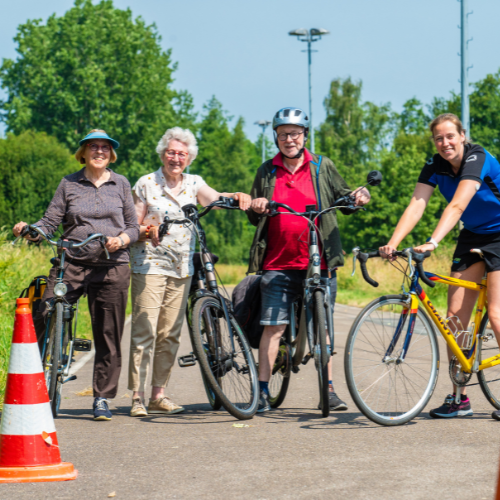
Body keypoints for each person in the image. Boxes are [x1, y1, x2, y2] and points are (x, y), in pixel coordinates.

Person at [247, 107, 370, 413]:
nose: (289, 139)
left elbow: (344, 199)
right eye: (283, 134)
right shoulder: (267, 170)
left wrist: (358, 196)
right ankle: (261, 392)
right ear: (276, 137)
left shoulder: (321, 166)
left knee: (323, 329)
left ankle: (328, 391)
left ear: (305, 136)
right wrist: (258, 205)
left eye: (295, 133)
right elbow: (252, 213)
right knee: (273, 327)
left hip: (321, 261)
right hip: (277, 262)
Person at [379, 113, 500, 421]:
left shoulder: (478, 157)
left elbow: (457, 204)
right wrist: (393, 242)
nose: (445, 143)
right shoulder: (435, 165)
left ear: (462, 136)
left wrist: (432, 242)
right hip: (472, 234)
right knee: (454, 320)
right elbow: (417, 203)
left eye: (450, 136)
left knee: (497, 313)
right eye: (438, 138)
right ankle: (459, 398)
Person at [13, 129, 140, 421]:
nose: (99, 152)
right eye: (93, 147)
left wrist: (121, 240)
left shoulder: (120, 183)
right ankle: (35, 378)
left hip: (112, 263)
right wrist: (31, 231)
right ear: (82, 153)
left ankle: (101, 398)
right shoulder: (68, 184)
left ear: (111, 154)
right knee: (43, 310)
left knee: (108, 333)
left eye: (105, 148)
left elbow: (133, 227)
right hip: (72, 259)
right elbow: (49, 221)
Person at [128, 127, 251, 417]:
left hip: (181, 267)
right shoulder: (146, 183)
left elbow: (215, 198)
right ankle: (137, 397)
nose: (175, 158)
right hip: (149, 265)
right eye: (171, 152)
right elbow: (131, 226)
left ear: (189, 158)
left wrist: (238, 196)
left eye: (181, 154)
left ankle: (159, 394)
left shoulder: (194, 183)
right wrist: (148, 230)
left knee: (170, 334)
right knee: (144, 331)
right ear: (162, 153)